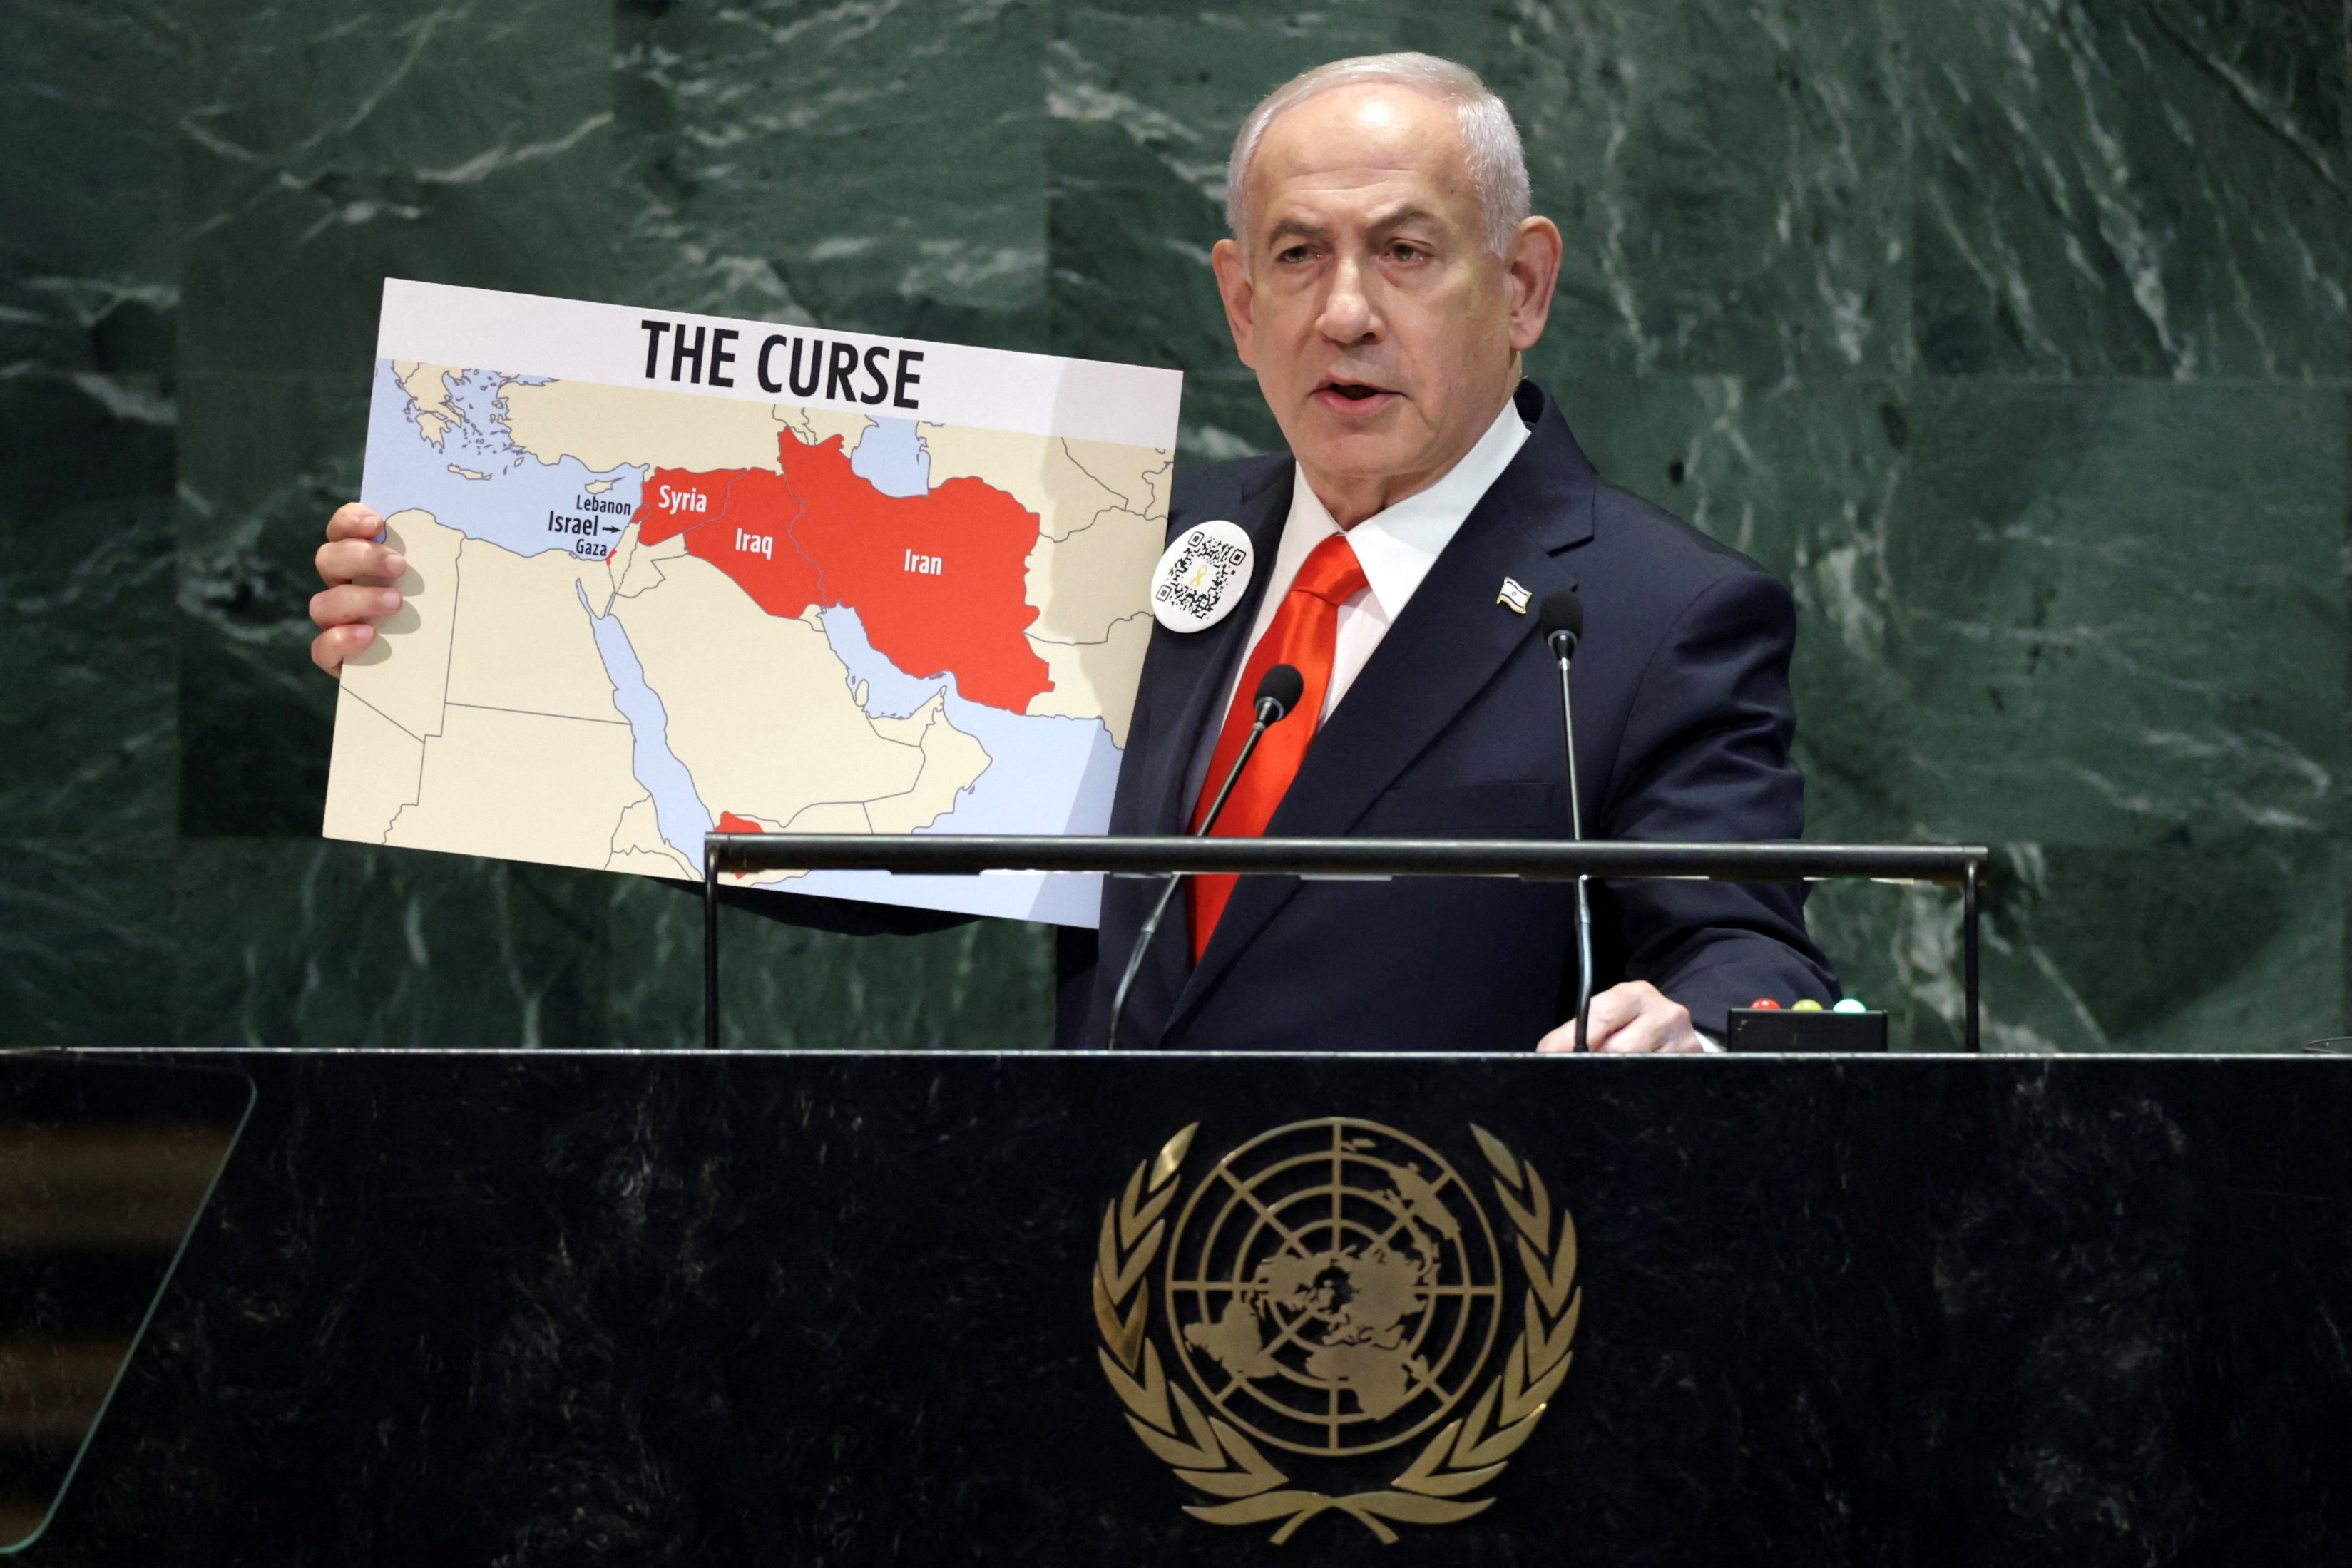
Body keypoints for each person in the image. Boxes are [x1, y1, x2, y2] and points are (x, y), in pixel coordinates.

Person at [312, 52, 1836, 1053]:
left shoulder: (1657, 613)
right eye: (1298, 256)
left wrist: (1694, 1026)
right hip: (1097, 1278)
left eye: (1404, 251)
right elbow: (897, 830)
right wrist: (484, 649)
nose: (1345, 312)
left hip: (1424, 1309)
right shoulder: (1122, 540)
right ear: (1237, 304)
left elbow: (1747, 951)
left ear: (1522, 286)